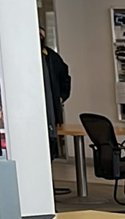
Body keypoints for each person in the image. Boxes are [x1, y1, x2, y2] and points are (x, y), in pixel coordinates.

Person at [41, 28, 72, 159]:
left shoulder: (51, 56)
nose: (40, 36)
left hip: (51, 110)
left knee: (50, 145)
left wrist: (60, 97)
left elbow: (65, 78)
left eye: (42, 33)